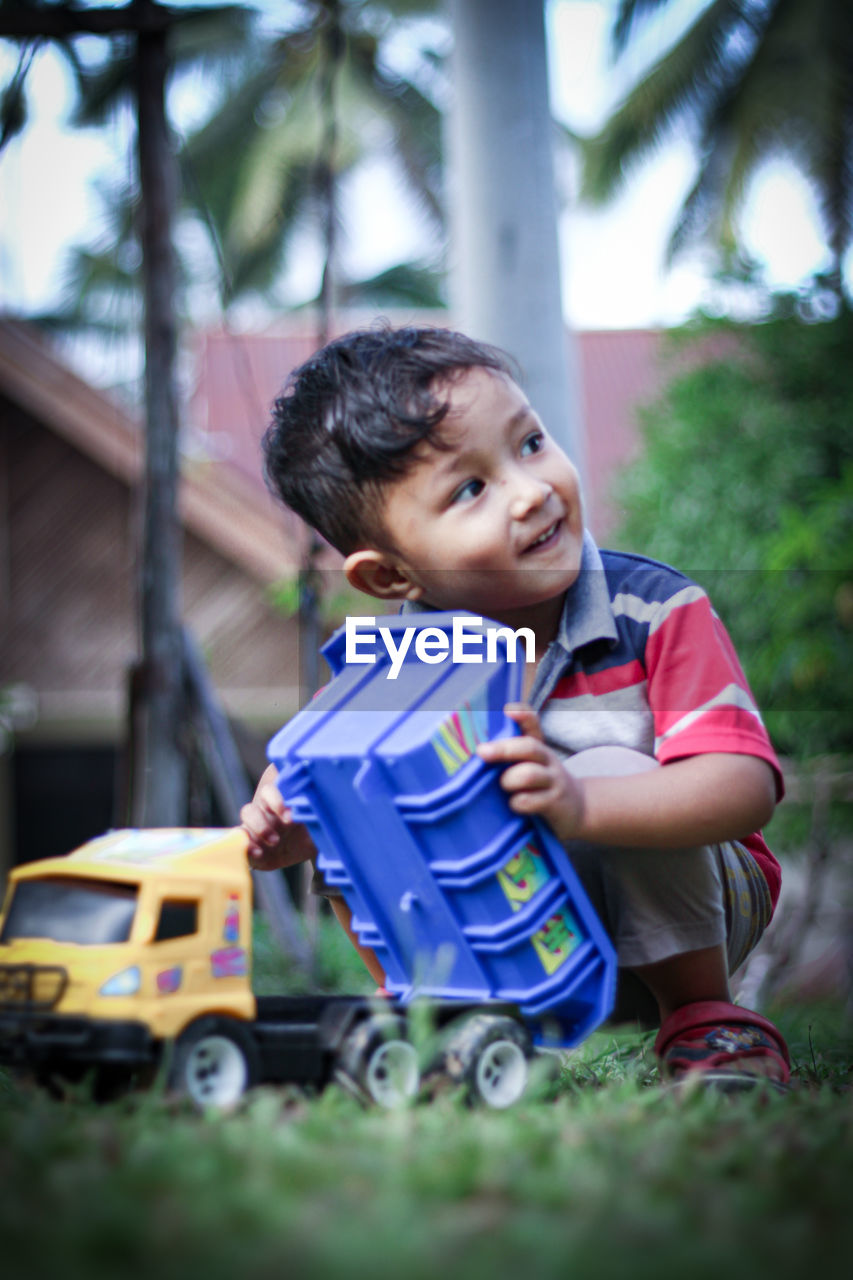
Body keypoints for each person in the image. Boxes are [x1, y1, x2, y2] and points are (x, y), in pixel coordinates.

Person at [241, 325, 790, 1089]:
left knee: (605, 761)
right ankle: (429, 1013)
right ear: (392, 576)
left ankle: (706, 1022)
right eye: (470, 490)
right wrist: (284, 820)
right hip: (515, 938)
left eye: (529, 443)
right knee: (362, 789)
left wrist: (581, 801)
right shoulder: (391, 670)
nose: (530, 490)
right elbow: (321, 806)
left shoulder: (653, 609)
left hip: (691, 913)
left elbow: (742, 789)